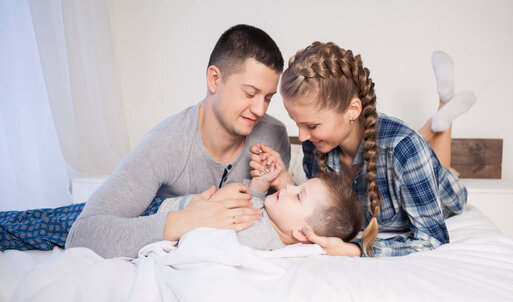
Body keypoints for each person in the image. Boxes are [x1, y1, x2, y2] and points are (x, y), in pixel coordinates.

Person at [62, 24, 292, 258]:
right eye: (250, 94)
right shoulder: (166, 143)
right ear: (214, 79)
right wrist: (188, 219)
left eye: (268, 98)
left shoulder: (273, 136)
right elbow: (82, 234)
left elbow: (286, 217)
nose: (259, 109)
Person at [250, 46, 474, 257]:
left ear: (353, 110)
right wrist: (284, 181)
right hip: (401, 154)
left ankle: (444, 105)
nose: (302, 137)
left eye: (312, 126)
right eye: (297, 123)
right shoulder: (315, 146)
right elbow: (322, 209)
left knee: (441, 170)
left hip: (444, 190)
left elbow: (433, 239)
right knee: (408, 150)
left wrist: (355, 250)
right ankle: (437, 120)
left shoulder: (406, 150)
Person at [158, 157, 363, 250]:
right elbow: (254, 203)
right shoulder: (272, 220)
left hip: (160, 216)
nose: (288, 187)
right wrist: (260, 183)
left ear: (302, 232)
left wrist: (220, 198)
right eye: (297, 186)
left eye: (299, 196)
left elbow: (207, 237)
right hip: (164, 207)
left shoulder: (255, 236)